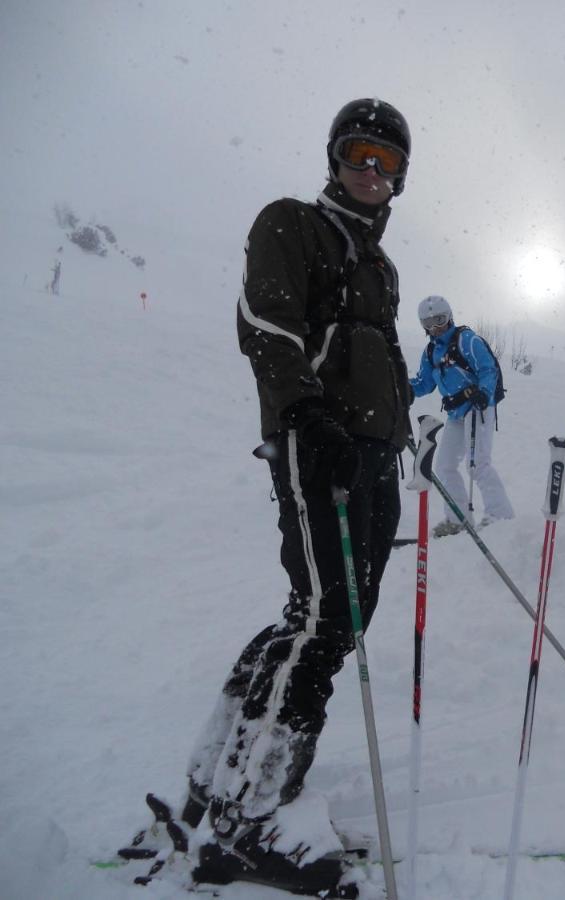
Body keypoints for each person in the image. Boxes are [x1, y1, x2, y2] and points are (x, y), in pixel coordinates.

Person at [131, 99, 414, 895]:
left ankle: (219, 777)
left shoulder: (381, 266)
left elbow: (378, 351)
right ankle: (253, 814)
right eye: (359, 154)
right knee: (326, 616)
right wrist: (304, 412)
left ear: (400, 180)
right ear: (334, 158)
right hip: (318, 438)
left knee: (327, 614)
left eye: (386, 163)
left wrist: (397, 431)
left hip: (373, 452)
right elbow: (265, 319)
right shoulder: (293, 222)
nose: (370, 171)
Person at [409, 295, 514, 535]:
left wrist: (484, 393)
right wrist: (402, 388)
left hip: (478, 406)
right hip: (456, 413)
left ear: (449, 317)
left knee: (477, 464)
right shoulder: (431, 351)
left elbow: (487, 369)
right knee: (445, 466)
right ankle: (458, 518)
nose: (434, 327)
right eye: (428, 323)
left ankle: (500, 516)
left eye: (439, 319)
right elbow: (424, 384)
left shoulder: (466, 340)